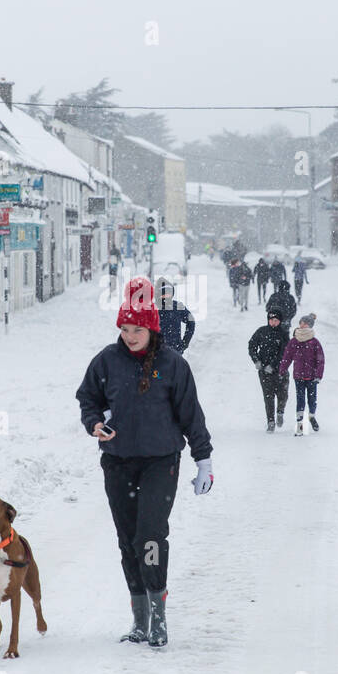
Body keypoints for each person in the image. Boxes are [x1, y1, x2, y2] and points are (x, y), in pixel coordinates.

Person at [76, 276, 213, 649]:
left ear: (151, 328)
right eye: (124, 328)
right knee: (127, 541)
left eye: (137, 329)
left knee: (150, 536)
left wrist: (203, 460)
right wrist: (95, 424)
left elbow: (191, 416)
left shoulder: (172, 365)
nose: (130, 335)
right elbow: (87, 398)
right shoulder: (106, 361)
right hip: (118, 463)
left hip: (160, 463)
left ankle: (159, 617)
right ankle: (140, 619)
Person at [278, 313, 325, 436]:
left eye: (304, 323)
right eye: (301, 322)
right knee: (300, 400)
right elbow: (287, 357)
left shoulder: (314, 342)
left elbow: (320, 360)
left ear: (309, 325)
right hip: (298, 375)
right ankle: (299, 425)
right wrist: (282, 370)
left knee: (312, 399)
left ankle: (311, 416)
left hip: (312, 376)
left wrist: (318, 375)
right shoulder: (294, 341)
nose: (301, 325)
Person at [248, 308, 290, 432]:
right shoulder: (261, 331)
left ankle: (280, 412)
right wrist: (256, 360)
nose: (273, 322)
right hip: (264, 372)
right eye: (271, 320)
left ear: (280, 321)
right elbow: (252, 345)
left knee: (283, 395)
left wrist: (273, 365)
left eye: (276, 320)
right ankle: (270, 421)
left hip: (280, 371)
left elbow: (284, 352)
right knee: (268, 397)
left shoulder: (283, 333)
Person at [156, 277, 196, 354]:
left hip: (175, 351)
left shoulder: (178, 306)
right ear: (158, 295)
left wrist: (185, 342)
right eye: (163, 295)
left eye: (168, 294)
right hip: (156, 354)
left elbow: (191, 321)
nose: (166, 297)